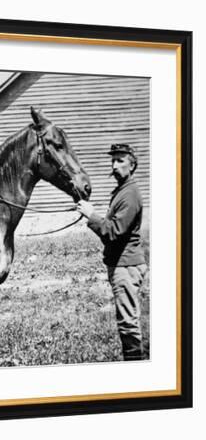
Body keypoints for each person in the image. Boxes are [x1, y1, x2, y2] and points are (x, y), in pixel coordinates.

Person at [76, 144, 148, 361]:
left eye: (120, 161)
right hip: (122, 264)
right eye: (113, 161)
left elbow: (113, 232)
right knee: (127, 320)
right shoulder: (123, 191)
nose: (114, 165)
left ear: (132, 165)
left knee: (128, 323)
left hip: (125, 266)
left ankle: (137, 371)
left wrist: (92, 215)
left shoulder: (130, 195)